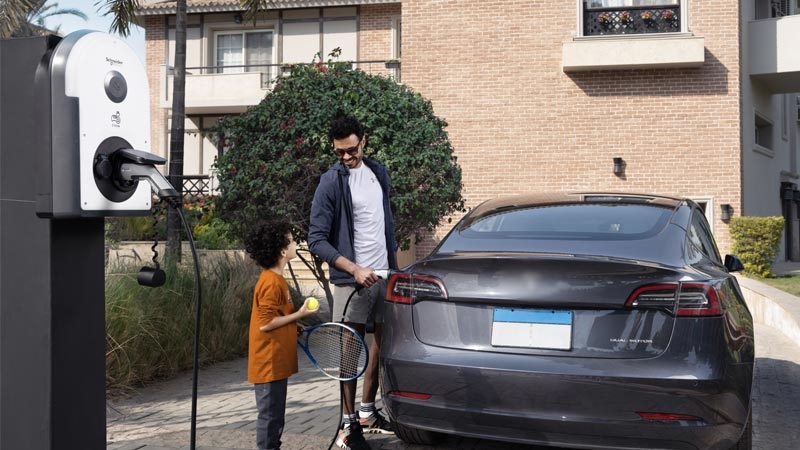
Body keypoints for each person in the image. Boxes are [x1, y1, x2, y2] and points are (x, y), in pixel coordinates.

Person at [308, 114, 398, 450]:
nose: (347, 157)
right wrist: (355, 269)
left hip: (384, 275)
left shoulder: (378, 173)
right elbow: (316, 239)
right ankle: (347, 428)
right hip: (353, 279)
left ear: (363, 140)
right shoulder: (331, 182)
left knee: (380, 346)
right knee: (350, 354)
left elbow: (383, 224)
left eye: (352, 149)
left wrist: (393, 266)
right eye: (340, 152)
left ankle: (367, 413)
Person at [245, 220, 318, 450]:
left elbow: (275, 317)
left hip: (276, 362)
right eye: (292, 241)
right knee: (269, 418)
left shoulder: (277, 280)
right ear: (283, 251)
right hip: (269, 363)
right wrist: (300, 313)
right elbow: (265, 324)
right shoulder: (270, 282)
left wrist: (294, 326)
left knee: (276, 417)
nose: (296, 244)